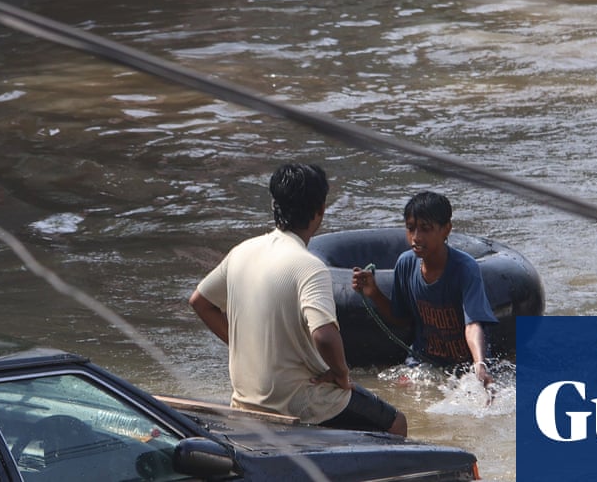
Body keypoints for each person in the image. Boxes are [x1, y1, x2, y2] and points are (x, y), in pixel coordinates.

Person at [189, 163, 408, 436]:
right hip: (299, 403)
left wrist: (242, 345)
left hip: (246, 399)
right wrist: (341, 374)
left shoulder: (241, 252)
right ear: (321, 211)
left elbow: (200, 302)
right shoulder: (309, 266)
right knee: (397, 423)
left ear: (274, 204)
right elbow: (325, 336)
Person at [351, 191, 498, 387]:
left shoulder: (465, 268)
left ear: (446, 229)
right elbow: (401, 318)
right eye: (411, 229)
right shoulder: (405, 264)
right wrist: (374, 293)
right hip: (423, 361)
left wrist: (479, 364)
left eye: (425, 229)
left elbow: (473, 324)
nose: (416, 237)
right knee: (395, 391)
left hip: (463, 364)